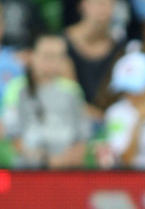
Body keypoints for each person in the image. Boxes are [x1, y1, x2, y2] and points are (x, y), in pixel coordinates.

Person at [2, 34, 91, 169]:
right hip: (28, 172)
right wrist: (45, 161)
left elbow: (82, 136)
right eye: (47, 55)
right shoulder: (17, 89)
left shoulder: (72, 91)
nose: (52, 62)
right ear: (32, 56)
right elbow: (13, 137)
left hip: (67, 170)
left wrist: (65, 160)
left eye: (58, 56)